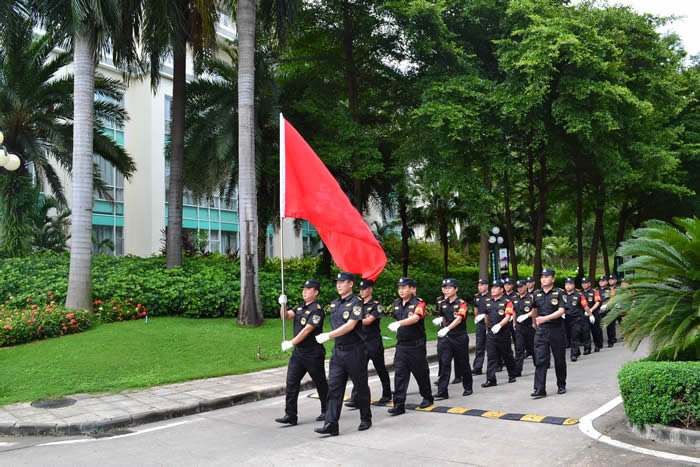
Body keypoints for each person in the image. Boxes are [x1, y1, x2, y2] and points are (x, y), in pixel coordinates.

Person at [314, 272, 371, 436]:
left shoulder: (357, 303)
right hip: (338, 351)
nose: (339, 285)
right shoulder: (335, 304)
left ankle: (366, 418)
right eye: (337, 282)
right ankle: (331, 423)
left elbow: (350, 325)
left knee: (360, 386)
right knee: (334, 388)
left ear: (350, 284)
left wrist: (328, 335)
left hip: (355, 351)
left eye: (342, 282)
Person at [276, 280, 328, 426]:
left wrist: (291, 343)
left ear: (316, 292)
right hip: (299, 353)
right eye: (304, 289)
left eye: (308, 289)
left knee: (320, 383)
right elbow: (285, 317)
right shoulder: (300, 307)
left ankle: (327, 410)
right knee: (291, 383)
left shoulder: (317, 310)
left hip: (313, 353)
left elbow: (307, 330)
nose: (304, 291)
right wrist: (283, 304)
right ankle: (290, 415)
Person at [386, 277, 433, 415]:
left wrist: (399, 324)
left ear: (412, 289)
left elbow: (416, 318)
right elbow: (396, 317)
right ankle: (398, 404)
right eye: (399, 288)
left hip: (416, 345)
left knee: (420, 373)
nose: (401, 290)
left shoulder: (419, 303)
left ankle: (427, 397)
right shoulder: (396, 304)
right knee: (400, 374)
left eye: (404, 287)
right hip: (401, 345)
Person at [346, 279, 392, 407]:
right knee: (359, 370)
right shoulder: (358, 304)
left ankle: (387, 394)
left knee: (380, 368)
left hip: (373, 341)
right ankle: (356, 398)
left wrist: (353, 321)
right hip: (361, 342)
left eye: (364, 289)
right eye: (360, 289)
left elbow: (368, 321)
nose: (362, 292)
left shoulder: (376, 305)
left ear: (370, 289)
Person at [432, 278, 473, 399]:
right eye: (444, 288)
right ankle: (442, 391)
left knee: (463, 363)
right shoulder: (442, 303)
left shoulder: (461, 303)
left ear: (456, 289)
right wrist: (442, 326)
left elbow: (459, 319)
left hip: (459, 337)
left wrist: (447, 328)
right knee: (444, 363)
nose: (446, 290)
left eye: (449, 288)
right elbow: (443, 317)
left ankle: (468, 387)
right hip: (447, 338)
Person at [531, 268, 567, 398]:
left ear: (553, 279)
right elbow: (534, 310)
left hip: (556, 329)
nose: (543, 279)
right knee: (540, 359)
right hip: (542, 330)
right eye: (542, 277)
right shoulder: (536, 294)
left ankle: (561, 385)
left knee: (559, 358)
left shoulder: (559, 293)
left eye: (546, 277)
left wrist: (545, 318)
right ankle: (540, 389)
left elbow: (561, 311)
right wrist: (534, 322)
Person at [481, 280, 517, 387]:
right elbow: (486, 317)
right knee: (491, 356)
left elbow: (508, 316)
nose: (493, 290)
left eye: (496, 288)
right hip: (491, 334)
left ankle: (512, 374)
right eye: (492, 287)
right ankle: (491, 379)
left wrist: (499, 325)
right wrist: (487, 329)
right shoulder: (488, 302)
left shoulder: (507, 302)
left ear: (501, 290)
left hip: (503, 333)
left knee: (507, 355)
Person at [562, 277, 594, 361]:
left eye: (570, 284)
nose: (568, 286)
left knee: (575, 336)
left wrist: (590, 315)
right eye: (566, 284)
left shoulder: (579, 295)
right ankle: (577, 351)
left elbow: (585, 306)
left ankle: (574, 354)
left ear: (573, 285)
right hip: (565, 318)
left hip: (576, 319)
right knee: (568, 336)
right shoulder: (562, 294)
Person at [513, 280, 535, 376]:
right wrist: (514, 323)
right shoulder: (515, 298)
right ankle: (517, 370)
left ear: (526, 286)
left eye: (521, 286)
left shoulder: (531, 297)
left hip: (529, 326)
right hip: (519, 327)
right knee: (519, 349)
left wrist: (527, 315)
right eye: (518, 287)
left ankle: (539, 365)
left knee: (533, 348)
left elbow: (535, 310)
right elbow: (514, 311)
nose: (520, 289)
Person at [472, 279, 490, 375]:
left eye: (482, 285)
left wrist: (485, 315)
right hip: (480, 324)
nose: (480, 287)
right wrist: (476, 317)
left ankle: (498, 363)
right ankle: (477, 367)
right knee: (479, 345)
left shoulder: (491, 296)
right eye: (479, 285)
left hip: (490, 323)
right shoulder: (477, 297)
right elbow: (476, 308)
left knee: (491, 346)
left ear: (487, 286)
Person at [581, 277, 603, 352]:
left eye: (585, 283)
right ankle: (587, 348)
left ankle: (597, 345)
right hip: (584, 315)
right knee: (585, 332)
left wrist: (591, 310)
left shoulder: (594, 291)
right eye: (583, 283)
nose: (584, 285)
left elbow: (597, 302)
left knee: (596, 331)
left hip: (594, 314)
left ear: (589, 284)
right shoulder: (580, 293)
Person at [596, 275, 615, 347]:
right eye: (600, 281)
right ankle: (600, 343)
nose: (601, 282)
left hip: (608, 310)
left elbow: (613, 298)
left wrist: (607, 305)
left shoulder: (610, 289)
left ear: (607, 282)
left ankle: (611, 341)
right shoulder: (596, 290)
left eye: (603, 281)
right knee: (599, 327)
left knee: (610, 326)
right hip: (599, 310)